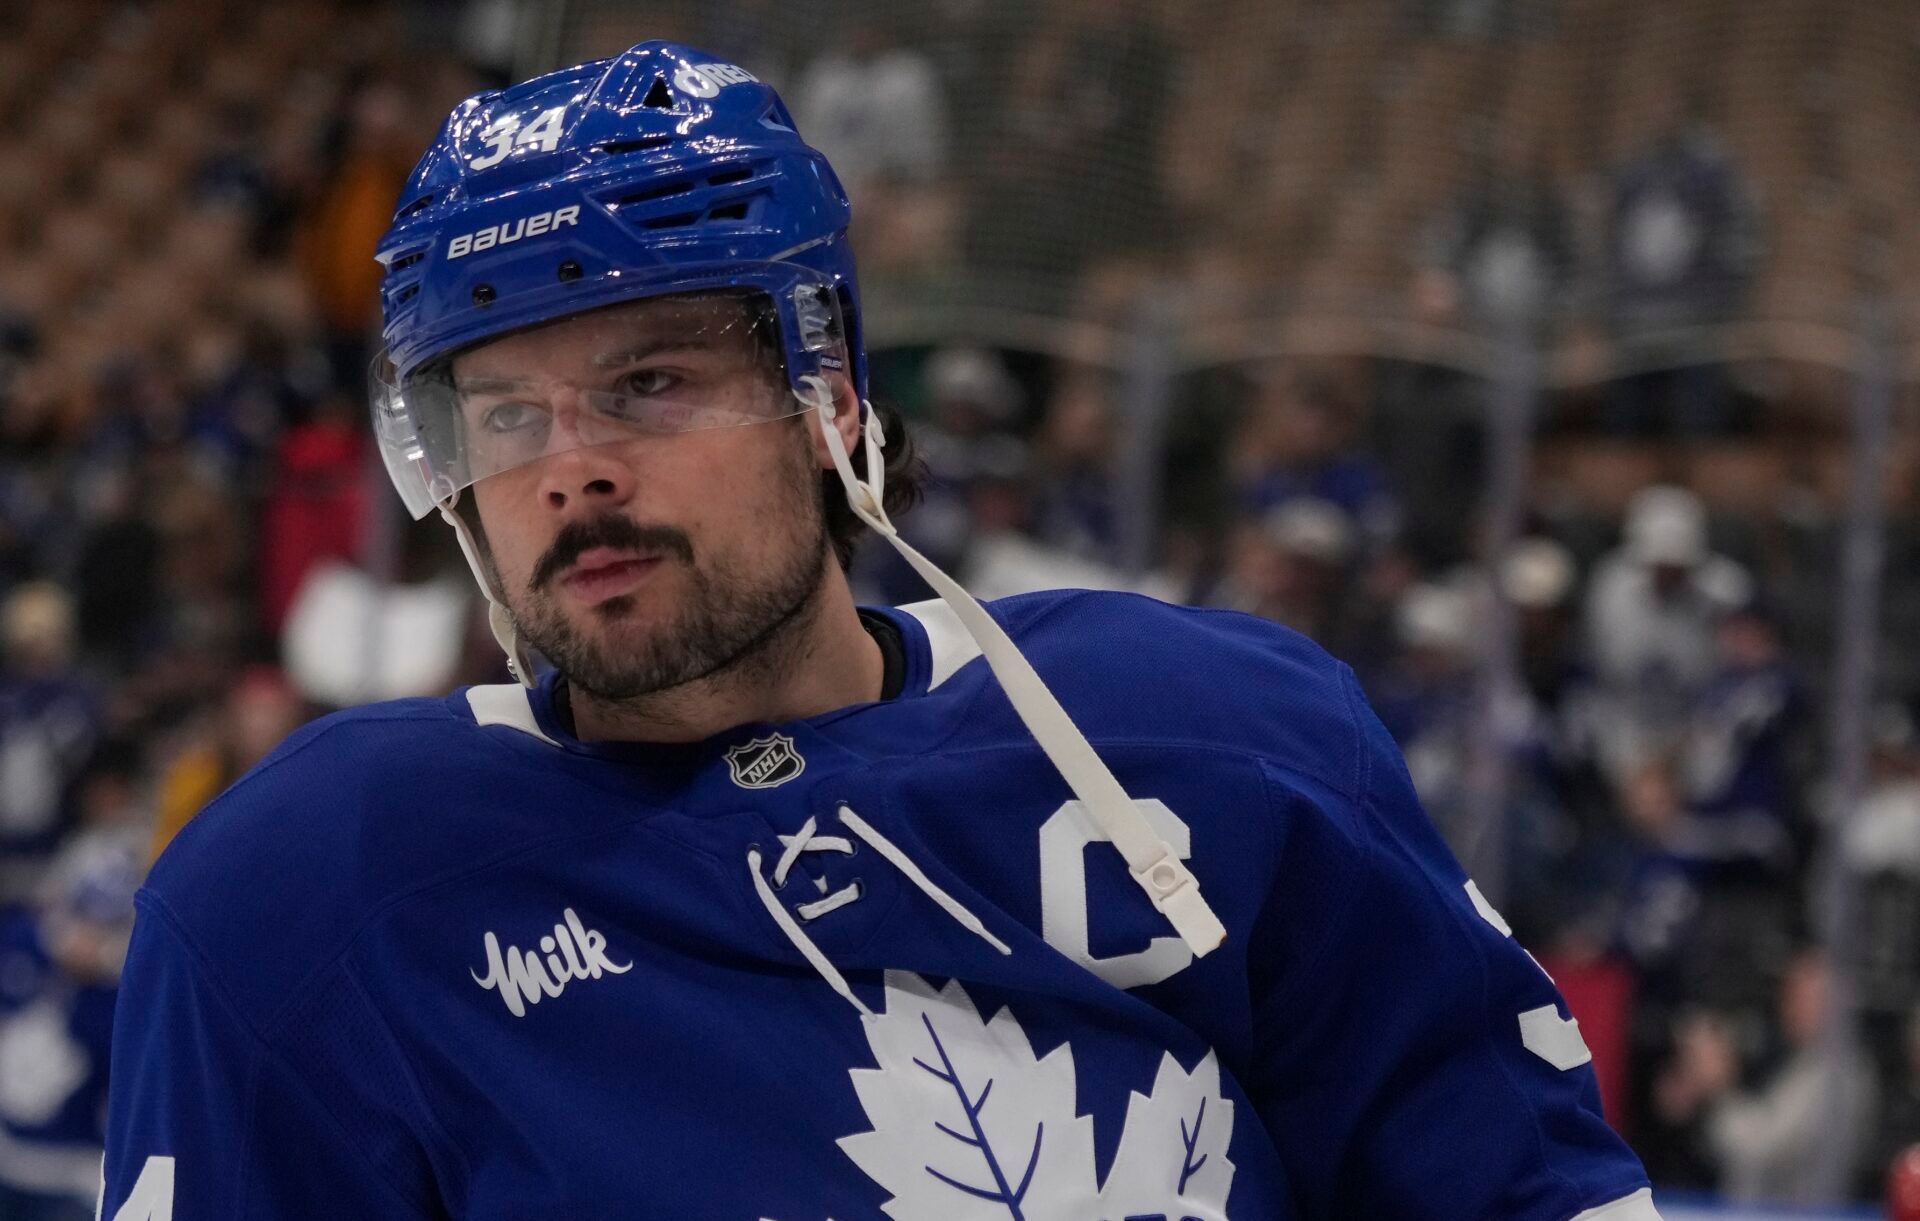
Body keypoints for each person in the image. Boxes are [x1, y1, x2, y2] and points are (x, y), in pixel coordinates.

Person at [101, 41, 1658, 1219]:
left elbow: (1522, 1186)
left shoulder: (1206, 738)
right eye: (506, 411)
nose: (571, 462)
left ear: (830, 393)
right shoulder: (309, 898)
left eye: (652, 383)